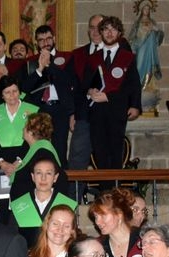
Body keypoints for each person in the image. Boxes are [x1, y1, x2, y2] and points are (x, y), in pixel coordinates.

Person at [83, 16, 141, 181]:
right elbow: (85, 83)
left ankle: (115, 192)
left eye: (113, 29)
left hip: (116, 111)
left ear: (119, 33)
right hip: (97, 113)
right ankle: (104, 194)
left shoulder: (127, 57)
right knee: (99, 153)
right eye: (105, 29)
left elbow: (133, 85)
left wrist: (134, 105)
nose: (109, 33)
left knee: (115, 153)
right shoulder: (93, 58)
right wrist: (90, 91)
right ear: (101, 33)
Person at [20, 25, 75, 167]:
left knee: (59, 151)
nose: (46, 43)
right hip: (38, 110)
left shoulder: (66, 58)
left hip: (60, 110)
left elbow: (70, 82)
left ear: (54, 39)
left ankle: (61, 186)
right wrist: (39, 69)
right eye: (41, 40)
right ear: (36, 43)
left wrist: (49, 64)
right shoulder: (30, 62)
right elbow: (24, 88)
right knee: (38, 150)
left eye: (49, 39)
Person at [68, 14, 104, 202]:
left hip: (107, 118)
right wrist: (72, 113)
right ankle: (72, 204)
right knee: (76, 161)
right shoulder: (78, 54)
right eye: (91, 27)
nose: (95, 31)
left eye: (100, 27)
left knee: (107, 163)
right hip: (83, 116)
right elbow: (72, 87)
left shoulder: (116, 53)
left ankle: (109, 204)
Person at [0, 76, 39, 181]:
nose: (12, 96)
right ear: (1, 95)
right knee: (0, 197)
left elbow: (37, 139)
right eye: (7, 92)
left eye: (15, 91)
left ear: (20, 92)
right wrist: (2, 163)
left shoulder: (34, 111)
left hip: (26, 163)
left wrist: (18, 162)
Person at [8, 156, 77, 248]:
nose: (43, 178)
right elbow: (11, 239)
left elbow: (72, 239)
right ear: (33, 177)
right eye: (39, 173)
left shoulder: (67, 205)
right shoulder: (20, 206)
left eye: (48, 173)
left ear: (55, 177)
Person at [8, 111, 68, 201]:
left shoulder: (42, 153)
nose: (22, 129)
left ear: (30, 132)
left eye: (24, 127)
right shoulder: (40, 150)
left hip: (35, 207)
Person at [88, 187, 142, 257]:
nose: (98, 222)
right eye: (96, 217)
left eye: (103, 216)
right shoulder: (97, 246)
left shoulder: (143, 240)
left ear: (119, 215)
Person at [128, 0, 163, 86]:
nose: (146, 11)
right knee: (139, 65)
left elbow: (158, 38)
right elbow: (132, 38)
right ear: (141, 10)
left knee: (149, 66)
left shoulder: (152, 22)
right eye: (145, 9)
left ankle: (146, 84)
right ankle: (138, 85)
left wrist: (157, 32)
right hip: (141, 47)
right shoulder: (137, 23)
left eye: (148, 9)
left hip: (150, 48)